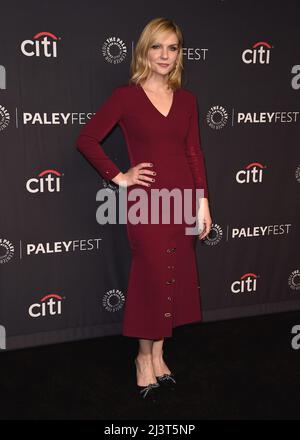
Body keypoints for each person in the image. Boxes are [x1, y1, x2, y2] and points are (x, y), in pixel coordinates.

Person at [76, 17, 212, 401]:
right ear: (144, 51)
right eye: (158, 47)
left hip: (183, 200)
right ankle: (142, 357)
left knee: (175, 275)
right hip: (148, 203)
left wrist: (203, 202)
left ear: (179, 53)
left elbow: (193, 152)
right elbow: (86, 139)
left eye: (173, 47)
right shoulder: (126, 96)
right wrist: (119, 177)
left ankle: (160, 353)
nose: (165, 55)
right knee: (152, 278)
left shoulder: (187, 100)